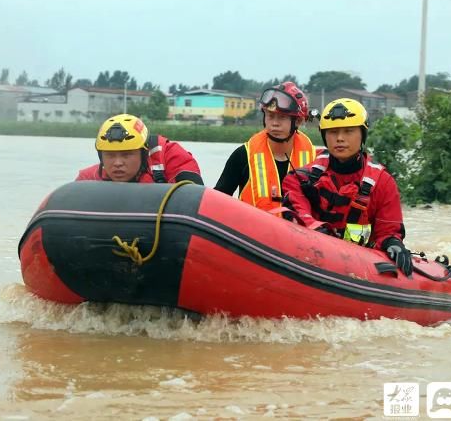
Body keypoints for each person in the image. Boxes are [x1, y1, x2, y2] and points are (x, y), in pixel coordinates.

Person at [281, 98, 413, 276]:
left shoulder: (383, 182)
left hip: (363, 268)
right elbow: (298, 214)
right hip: (315, 258)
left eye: (348, 131)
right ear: (324, 136)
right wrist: (320, 233)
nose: (340, 138)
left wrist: (393, 244)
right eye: (333, 132)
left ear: (362, 135)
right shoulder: (301, 179)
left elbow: (389, 230)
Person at [215, 82, 315, 213]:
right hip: (252, 232)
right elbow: (217, 203)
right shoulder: (242, 155)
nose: (274, 123)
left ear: (298, 121)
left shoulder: (315, 159)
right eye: (270, 116)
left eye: (282, 117)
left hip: (298, 232)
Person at [76, 113, 203, 185]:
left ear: (143, 153)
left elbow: (196, 197)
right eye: (110, 155)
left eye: (126, 155)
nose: (118, 163)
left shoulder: (170, 157)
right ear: (101, 157)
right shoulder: (88, 179)